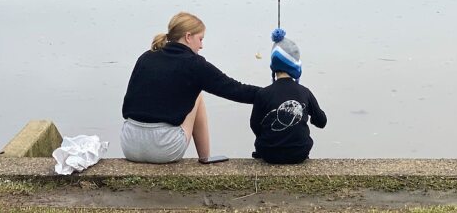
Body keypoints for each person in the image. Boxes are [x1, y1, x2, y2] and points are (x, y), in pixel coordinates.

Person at [120, 12, 260, 164]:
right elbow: (234, 89)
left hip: (129, 145)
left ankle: (205, 158)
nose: (201, 45)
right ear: (188, 37)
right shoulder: (194, 64)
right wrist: (270, 93)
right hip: (163, 148)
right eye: (200, 39)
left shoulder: (146, 57)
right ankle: (205, 158)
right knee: (197, 95)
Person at [250, 29, 327, 164]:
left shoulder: (263, 94)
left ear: (273, 67)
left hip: (269, 154)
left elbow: (254, 125)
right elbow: (322, 122)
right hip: (299, 153)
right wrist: (311, 117)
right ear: (295, 67)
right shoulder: (305, 92)